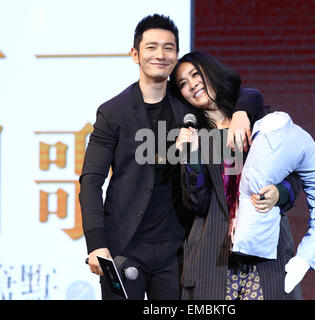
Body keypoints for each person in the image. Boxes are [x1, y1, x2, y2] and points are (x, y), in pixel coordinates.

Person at [79, 15, 269, 300]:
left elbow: (246, 92)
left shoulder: (187, 101)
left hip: (179, 249)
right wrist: (96, 244)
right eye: (152, 47)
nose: (160, 54)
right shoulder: (113, 112)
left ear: (176, 55)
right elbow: (91, 181)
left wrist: (241, 113)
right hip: (123, 246)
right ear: (135, 54)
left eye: (168, 48)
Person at [172, 51, 304, 300]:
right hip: (214, 257)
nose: (192, 85)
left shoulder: (261, 120)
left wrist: (279, 192)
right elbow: (197, 204)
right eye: (183, 84)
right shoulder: (195, 135)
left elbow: (294, 176)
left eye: (195, 74)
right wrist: (192, 158)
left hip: (266, 254)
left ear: (210, 72)